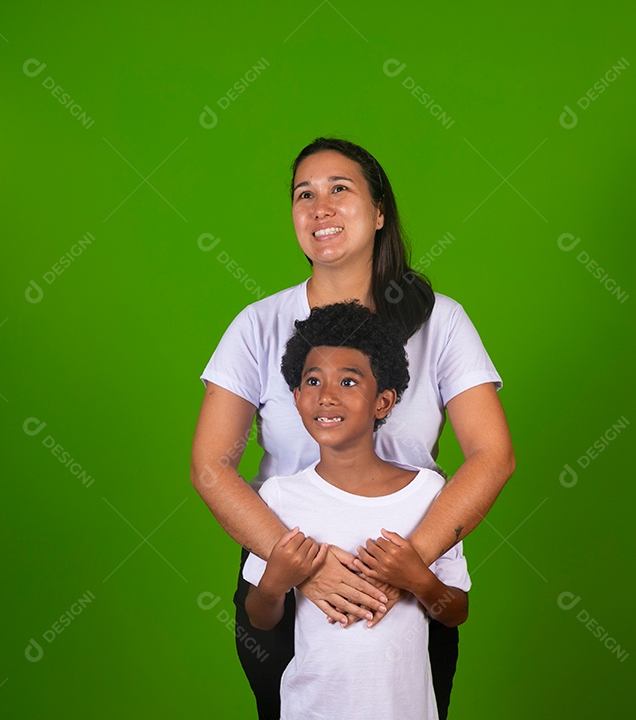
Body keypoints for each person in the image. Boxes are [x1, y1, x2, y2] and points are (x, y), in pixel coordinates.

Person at [192, 137, 516, 719]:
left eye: (340, 189)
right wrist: (301, 567)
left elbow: (491, 455)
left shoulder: (441, 322)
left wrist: (406, 569)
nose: (320, 208)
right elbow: (211, 465)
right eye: (304, 195)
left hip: (413, 575)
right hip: (285, 570)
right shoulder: (259, 325)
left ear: (380, 210)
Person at [243, 301, 470, 720]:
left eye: (348, 382)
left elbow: (455, 611)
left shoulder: (427, 494)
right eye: (313, 380)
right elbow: (260, 618)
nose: (327, 395)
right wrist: (275, 582)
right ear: (296, 398)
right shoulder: (280, 497)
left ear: (383, 402)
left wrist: (418, 579)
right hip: (310, 710)